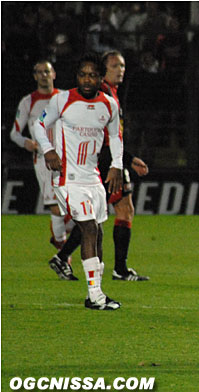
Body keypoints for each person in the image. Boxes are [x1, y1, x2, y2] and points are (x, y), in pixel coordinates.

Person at [51, 50, 150, 282]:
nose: (120, 70)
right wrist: (127, 159)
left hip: (111, 160)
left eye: (123, 66)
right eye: (115, 66)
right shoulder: (100, 94)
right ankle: (66, 258)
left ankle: (118, 268)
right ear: (103, 71)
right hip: (103, 161)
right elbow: (103, 135)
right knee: (94, 218)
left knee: (123, 209)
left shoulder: (112, 93)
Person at [34, 53, 123, 310]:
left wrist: (116, 164)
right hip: (68, 178)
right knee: (89, 229)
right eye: (83, 74)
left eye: (92, 75)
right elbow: (40, 125)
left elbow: (115, 137)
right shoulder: (62, 100)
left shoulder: (109, 105)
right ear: (76, 77)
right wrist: (48, 149)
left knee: (99, 233)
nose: (87, 79)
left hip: (93, 177)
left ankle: (95, 292)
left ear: (100, 78)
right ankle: (95, 296)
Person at [9, 60, 78, 280]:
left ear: (54, 74)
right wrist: (26, 143)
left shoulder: (65, 97)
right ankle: (64, 261)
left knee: (75, 211)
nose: (43, 76)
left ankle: (59, 239)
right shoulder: (28, 101)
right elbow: (15, 133)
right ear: (35, 76)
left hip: (70, 159)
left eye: (46, 71)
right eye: (39, 72)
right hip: (44, 161)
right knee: (56, 209)